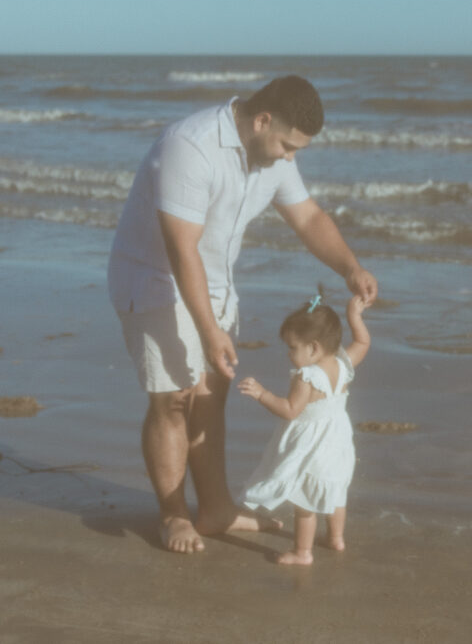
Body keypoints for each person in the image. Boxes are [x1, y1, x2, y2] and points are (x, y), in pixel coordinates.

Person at [108, 75, 378, 554]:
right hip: (154, 279)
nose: (291, 157)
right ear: (262, 120)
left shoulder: (271, 154)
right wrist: (210, 331)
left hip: (214, 282)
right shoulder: (189, 148)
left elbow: (309, 217)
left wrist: (350, 268)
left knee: (210, 397)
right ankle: (173, 516)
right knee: (172, 400)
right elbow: (181, 249)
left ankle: (215, 510)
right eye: (288, 145)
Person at [238, 292, 369, 565]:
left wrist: (262, 394)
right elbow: (363, 342)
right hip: (338, 439)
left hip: (313, 444)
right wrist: (354, 317)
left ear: (313, 348)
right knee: (335, 491)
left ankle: (302, 552)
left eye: (293, 347)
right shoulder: (343, 364)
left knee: (306, 501)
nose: (289, 353)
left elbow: (290, 410)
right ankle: (336, 538)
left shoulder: (307, 376)